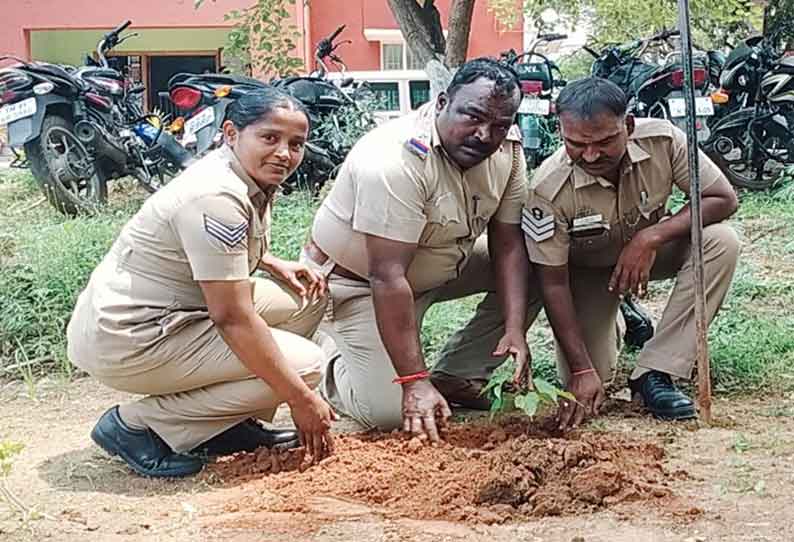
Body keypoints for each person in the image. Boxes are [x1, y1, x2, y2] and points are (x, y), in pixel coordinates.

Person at [66, 88, 337, 478]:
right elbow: (232, 318)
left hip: (173, 312)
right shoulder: (216, 196)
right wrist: (301, 399)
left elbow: (212, 254)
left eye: (296, 144)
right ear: (231, 133)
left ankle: (223, 424)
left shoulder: (242, 174)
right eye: (269, 138)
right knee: (306, 367)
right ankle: (137, 425)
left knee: (307, 297)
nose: (284, 153)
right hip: (131, 336)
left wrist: (272, 263)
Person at [303, 58, 542, 441]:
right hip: (360, 285)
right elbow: (387, 275)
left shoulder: (507, 152)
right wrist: (413, 382)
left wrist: (514, 326)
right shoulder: (393, 160)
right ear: (443, 102)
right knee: (386, 414)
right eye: (473, 117)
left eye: (499, 125)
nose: (484, 135)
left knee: (536, 267)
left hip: (439, 266)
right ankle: (328, 351)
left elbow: (508, 243)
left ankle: (458, 374)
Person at [522, 77, 740, 430]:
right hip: (589, 273)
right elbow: (552, 283)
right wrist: (581, 369)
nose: (590, 155)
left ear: (628, 125)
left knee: (720, 241)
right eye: (576, 143)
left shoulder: (664, 141)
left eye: (605, 141)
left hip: (650, 254)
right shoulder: (547, 188)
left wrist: (650, 237)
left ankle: (656, 370)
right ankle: (621, 313)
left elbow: (722, 198)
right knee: (592, 381)